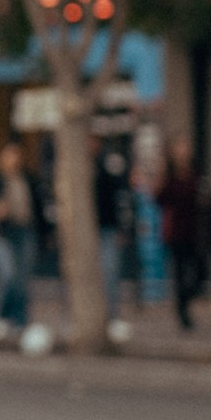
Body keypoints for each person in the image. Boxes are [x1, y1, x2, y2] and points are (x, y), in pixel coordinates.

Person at [0, 141, 42, 343]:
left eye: (17, 155)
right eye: (10, 155)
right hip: (1, 234)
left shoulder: (28, 178)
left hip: (25, 231)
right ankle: (2, 317)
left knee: (22, 278)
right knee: (8, 274)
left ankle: (20, 320)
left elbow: (39, 205)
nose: (14, 160)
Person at [157, 138, 211, 331]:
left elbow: (204, 198)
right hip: (175, 231)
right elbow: (160, 199)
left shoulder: (196, 171)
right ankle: (183, 313)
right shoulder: (169, 175)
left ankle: (187, 300)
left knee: (197, 272)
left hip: (194, 231)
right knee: (179, 273)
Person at [92, 126, 137, 344]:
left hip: (108, 228)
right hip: (87, 232)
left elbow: (122, 195)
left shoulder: (109, 162)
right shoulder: (75, 162)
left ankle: (112, 317)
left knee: (110, 273)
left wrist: (123, 227)